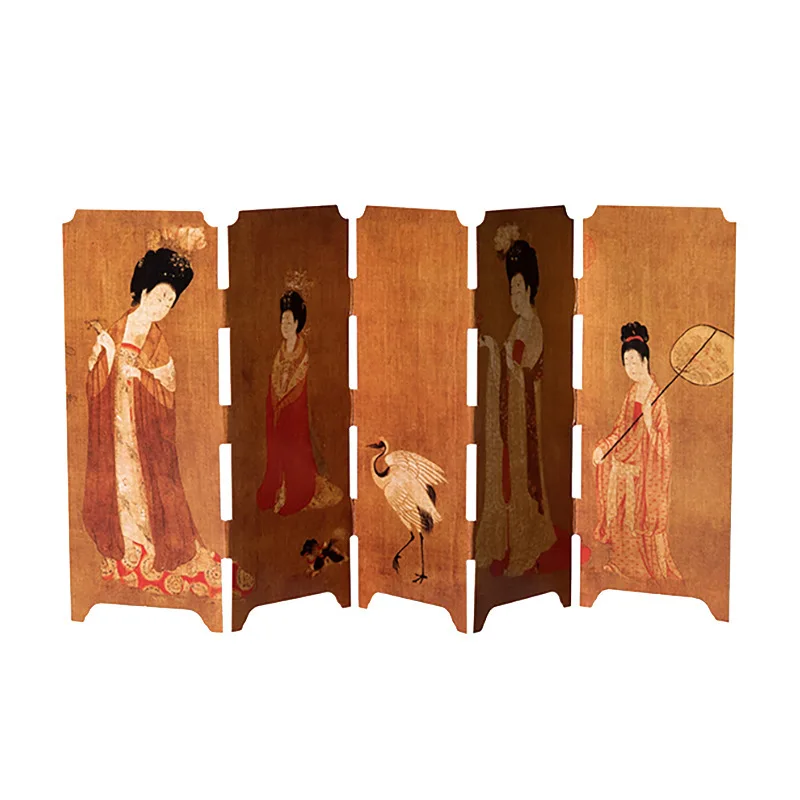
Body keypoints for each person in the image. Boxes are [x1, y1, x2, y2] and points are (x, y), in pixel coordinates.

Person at [83, 229, 242, 597]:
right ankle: (129, 544)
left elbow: (167, 389)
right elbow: (95, 378)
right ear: (143, 292)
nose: (161, 307)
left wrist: (141, 377)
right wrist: (104, 355)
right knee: (119, 481)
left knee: (148, 483)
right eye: (158, 298)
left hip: (144, 429)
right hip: (115, 425)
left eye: (169, 302)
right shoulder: (117, 329)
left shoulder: (158, 341)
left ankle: (153, 546)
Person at [475, 232, 559, 576]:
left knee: (521, 478)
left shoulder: (533, 326)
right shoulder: (517, 325)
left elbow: (526, 367)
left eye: (519, 288)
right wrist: (494, 349)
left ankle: (526, 546)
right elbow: (511, 360)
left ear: (531, 289)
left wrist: (507, 355)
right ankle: (498, 543)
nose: (514, 296)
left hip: (524, 418)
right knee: (504, 476)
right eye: (511, 289)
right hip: (509, 414)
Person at [591, 322, 682, 581]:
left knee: (636, 518)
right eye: (626, 363)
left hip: (643, 471)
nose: (630, 367)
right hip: (622, 463)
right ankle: (621, 562)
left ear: (645, 361)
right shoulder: (632, 392)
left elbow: (664, 448)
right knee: (619, 516)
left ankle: (645, 570)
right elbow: (621, 429)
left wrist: (650, 423)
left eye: (634, 361)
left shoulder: (657, 397)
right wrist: (604, 447)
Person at [256, 289, 343, 515]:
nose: (284, 326)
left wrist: (290, 407)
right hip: (277, 413)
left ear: (297, 323)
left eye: (289, 321)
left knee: (294, 449)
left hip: (298, 417)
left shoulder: (305, 354)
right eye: (282, 322)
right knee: (275, 448)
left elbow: (307, 390)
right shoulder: (279, 354)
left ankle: (296, 492)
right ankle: (276, 490)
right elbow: (274, 385)